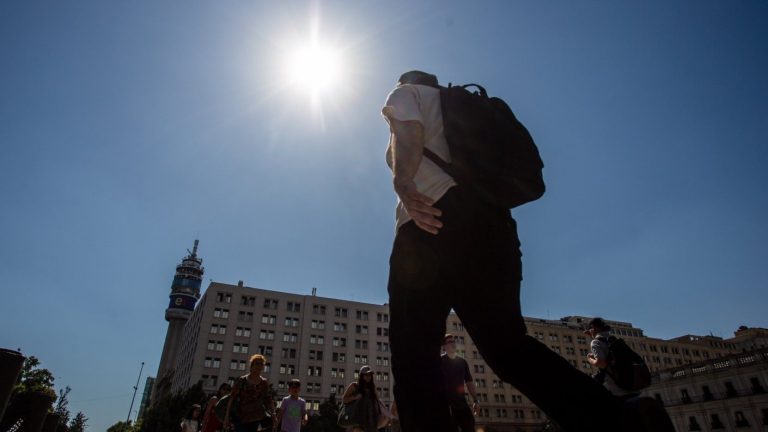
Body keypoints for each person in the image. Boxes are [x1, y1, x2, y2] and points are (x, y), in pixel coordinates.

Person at [382, 70, 624, 432]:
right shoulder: (456, 109)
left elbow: (408, 132)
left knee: (413, 351)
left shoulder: (407, 92)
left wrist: (403, 183)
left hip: (428, 223)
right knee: (506, 347)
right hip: (492, 227)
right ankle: (618, 420)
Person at [223, 354, 277, 432]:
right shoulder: (242, 380)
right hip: (240, 417)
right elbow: (232, 398)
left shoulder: (264, 383)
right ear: (251, 366)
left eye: (261, 364)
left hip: (255, 418)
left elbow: (269, 399)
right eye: (257, 363)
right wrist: (226, 416)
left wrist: (273, 414)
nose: (259, 366)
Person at [585, 317, 635, 398]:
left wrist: (589, 359)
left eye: (590, 328)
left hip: (615, 386)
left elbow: (601, 364)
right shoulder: (614, 339)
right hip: (631, 382)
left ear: (594, 328)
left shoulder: (595, 342)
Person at [441, 334, 479, 432]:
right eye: (450, 342)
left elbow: (469, 382)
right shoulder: (439, 361)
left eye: (454, 341)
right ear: (444, 346)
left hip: (462, 405)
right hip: (446, 406)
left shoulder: (462, 362)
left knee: (470, 427)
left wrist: (476, 400)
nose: (453, 343)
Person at [341, 366, 383, 432]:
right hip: (358, 421)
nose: (369, 377)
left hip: (371, 421)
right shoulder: (354, 386)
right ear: (361, 376)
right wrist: (355, 397)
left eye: (370, 375)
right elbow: (344, 399)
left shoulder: (372, 388)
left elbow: (378, 401)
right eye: (366, 375)